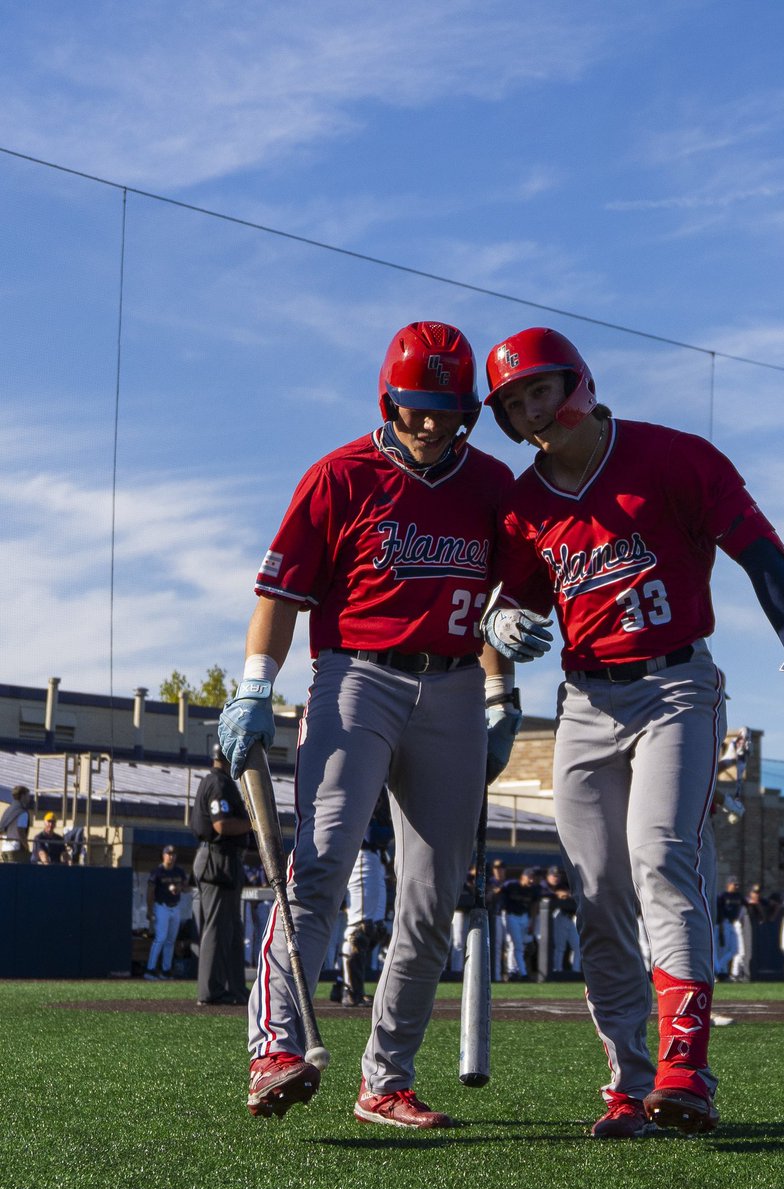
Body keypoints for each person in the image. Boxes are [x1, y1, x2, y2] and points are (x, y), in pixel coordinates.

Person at [480, 327, 784, 1138]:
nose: (531, 411)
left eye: (539, 390)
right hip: (583, 703)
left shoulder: (675, 458)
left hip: (676, 685)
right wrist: (500, 669)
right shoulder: (524, 503)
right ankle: (626, 1082)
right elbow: (505, 609)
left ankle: (686, 1067)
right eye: (513, 402)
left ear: (575, 383)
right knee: (600, 894)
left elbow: (760, 555)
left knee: (658, 859)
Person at [216, 321, 517, 1127]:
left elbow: (501, 610)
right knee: (319, 861)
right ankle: (276, 1049)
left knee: (429, 896)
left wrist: (501, 699)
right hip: (356, 676)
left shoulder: (492, 484)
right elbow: (278, 597)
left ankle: (386, 1078)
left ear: (468, 410)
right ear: (390, 398)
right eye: (416, 406)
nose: (429, 422)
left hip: (454, 688)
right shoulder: (340, 475)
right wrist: (253, 687)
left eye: (445, 408)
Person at [191, 745, 252, 1006]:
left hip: (221, 859)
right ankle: (211, 991)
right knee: (216, 928)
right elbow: (221, 824)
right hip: (217, 859)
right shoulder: (218, 783)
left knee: (231, 929)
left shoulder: (219, 780)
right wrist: (253, 822)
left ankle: (234, 988)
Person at [340, 799, 393, 1008]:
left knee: (376, 929)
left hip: (376, 859)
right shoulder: (364, 779)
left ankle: (344, 984)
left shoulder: (385, 788)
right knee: (360, 928)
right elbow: (370, 833)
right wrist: (389, 831)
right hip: (362, 855)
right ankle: (350, 990)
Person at [144, 846, 188, 981]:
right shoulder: (158, 871)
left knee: (170, 940)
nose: (171, 856)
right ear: (163, 855)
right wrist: (150, 910)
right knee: (160, 938)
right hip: (161, 906)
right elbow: (150, 891)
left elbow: (187, 886)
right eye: (168, 854)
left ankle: (166, 970)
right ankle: (150, 969)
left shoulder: (179, 871)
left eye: (173, 854)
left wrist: (179, 888)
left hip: (175, 907)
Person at [498, 866, 540, 980]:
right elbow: (499, 891)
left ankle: (515, 970)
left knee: (524, 946)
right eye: (529, 877)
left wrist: (533, 922)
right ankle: (520, 972)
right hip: (511, 916)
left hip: (524, 917)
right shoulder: (511, 885)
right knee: (517, 945)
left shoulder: (533, 889)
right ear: (523, 877)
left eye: (533, 878)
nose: (531, 880)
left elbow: (534, 906)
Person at [544, 864, 581, 974]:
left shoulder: (564, 885)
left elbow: (572, 894)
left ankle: (576, 970)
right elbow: (543, 893)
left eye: (557, 876)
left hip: (570, 918)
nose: (556, 878)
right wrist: (558, 894)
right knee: (560, 947)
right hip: (558, 917)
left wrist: (566, 895)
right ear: (548, 876)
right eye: (553, 875)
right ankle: (557, 969)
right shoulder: (545, 886)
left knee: (577, 946)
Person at [716, 877, 747, 982]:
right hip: (725, 923)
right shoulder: (722, 896)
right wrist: (720, 925)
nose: (736, 886)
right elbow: (718, 910)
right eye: (735, 884)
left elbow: (747, 905)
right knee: (725, 949)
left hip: (734, 923)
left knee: (735, 950)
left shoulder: (739, 896)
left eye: (737, 884)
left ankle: (721, 970)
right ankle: (721, 972)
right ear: (728, 884)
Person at [0, 786, 33, 863]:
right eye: (27, 795)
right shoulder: (22, 812)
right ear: (22, 796)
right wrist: (27, 847)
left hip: (5, 848)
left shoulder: (8, 810)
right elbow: (21, 831)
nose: (29, 798)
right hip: (16, 849)